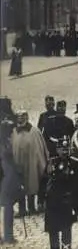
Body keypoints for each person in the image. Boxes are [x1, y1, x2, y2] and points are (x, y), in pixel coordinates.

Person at [44, 137, 78, 249]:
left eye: (66, 149)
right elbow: (44, 182)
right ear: (57, 150)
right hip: (52, 203)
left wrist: (76, 204)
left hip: (66, 202)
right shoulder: (52, 162)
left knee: (66, 230)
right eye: (61, 149)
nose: (64, 152)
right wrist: (42, 200)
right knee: (53, 231)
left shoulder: (74, 163)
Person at [11, 110, 49, 216]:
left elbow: (40, 147)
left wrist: (40, 162)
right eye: (18, 116)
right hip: (18, 162)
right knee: (20, 185)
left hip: (31, 162)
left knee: (31, 184)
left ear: (27, 117)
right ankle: (22, 209)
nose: (21, 118)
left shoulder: (35, 131)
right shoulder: (14, 131)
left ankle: (32, 207)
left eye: (23, 116)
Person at [0, 98, 23, 245]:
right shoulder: (10, 124)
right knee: (8, 205)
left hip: (6, 171)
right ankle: (8, 236)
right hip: (7, 172)